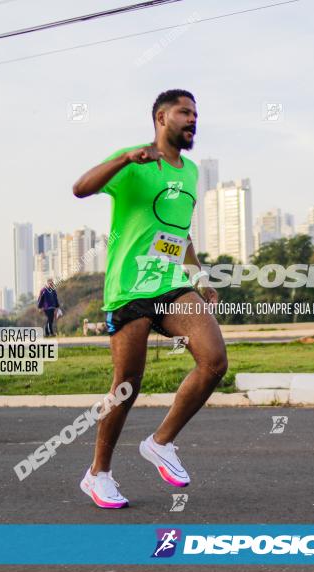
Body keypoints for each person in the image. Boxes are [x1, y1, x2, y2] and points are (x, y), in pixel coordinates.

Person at [71, 89, 227, 508]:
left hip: (171, 284)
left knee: (214, 361)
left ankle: (161, 442)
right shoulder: (134, 160)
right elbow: (80, 189)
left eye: (196, 113)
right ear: (161, 117)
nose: (193, 119)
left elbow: (180, 233)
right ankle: (98, 474)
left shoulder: (191, 172)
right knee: (126, 387)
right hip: (129, 287)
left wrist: (199, 277)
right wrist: (125, 160)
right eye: (184, 112)